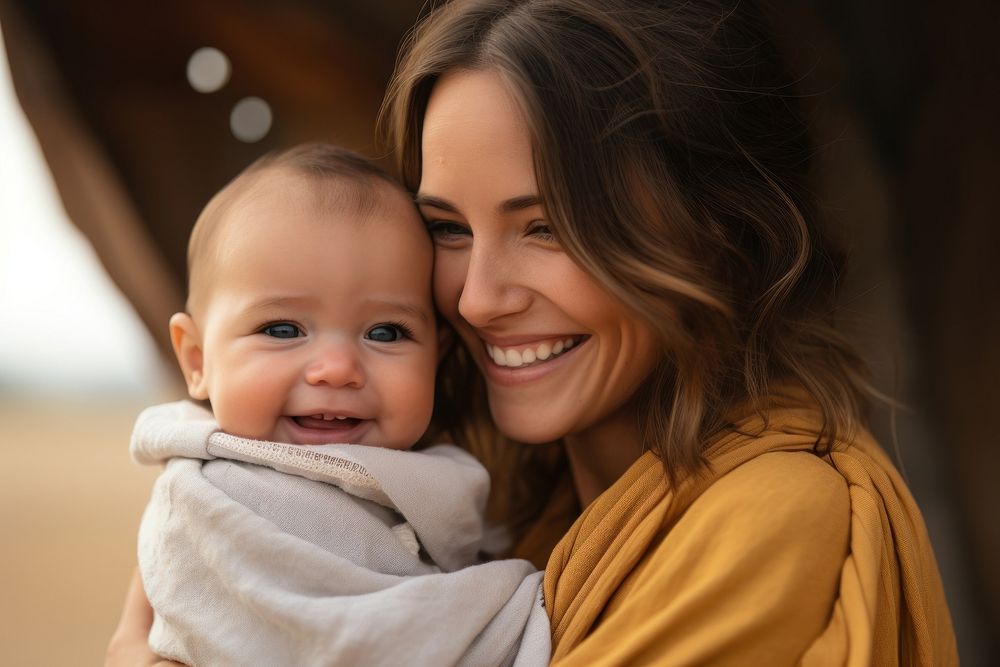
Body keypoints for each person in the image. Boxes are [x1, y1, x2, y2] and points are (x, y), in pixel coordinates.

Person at [110, 1, 959, 665]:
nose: (477, 299)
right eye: (446, 228)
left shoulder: (780, 519)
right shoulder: (498, 503)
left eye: (548, 226)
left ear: (712, 229)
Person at [128, 143, 549, 666]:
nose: (337, 368)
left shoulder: (453, 478)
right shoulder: (214, 499)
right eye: (282, 329)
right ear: (196, 359)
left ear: (436, 359)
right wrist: (519, 613)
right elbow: (340, 642)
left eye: (386, 332)